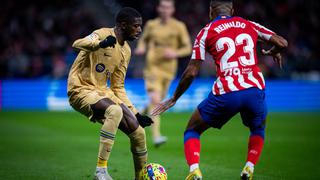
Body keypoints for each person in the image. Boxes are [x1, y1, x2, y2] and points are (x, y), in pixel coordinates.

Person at [152, 0, 288, 179]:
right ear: (232, 10)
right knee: (257, 128)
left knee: (192, 130)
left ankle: (194, 170)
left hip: (227, 92)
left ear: (210, 12)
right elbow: (283, 42)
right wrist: (275, 50)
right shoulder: (249, 24)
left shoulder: (206, 32)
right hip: (254, 89)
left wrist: (174, 97)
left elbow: (191, 72)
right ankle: (249, 166)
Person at [67, 7, 153, 180]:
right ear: (122, 25)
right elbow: (76, 44)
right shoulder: (101, 34)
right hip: (80, 89)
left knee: (139, 133)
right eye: (135, 26)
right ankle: (101, 171)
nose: (139, 30)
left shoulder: (126, 50)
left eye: (140, 26)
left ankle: (140, 177)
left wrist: (136, 113)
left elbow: (118, 87)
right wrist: (99, 44)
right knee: (114, 111)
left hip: (102, 92)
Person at [134, 0, 192, 147]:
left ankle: (138, 116)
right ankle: (156, 136)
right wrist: (141, 48)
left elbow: (187, 48)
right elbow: (143, 40)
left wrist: (175, 52)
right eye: (163, 7)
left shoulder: (179, 26)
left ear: (172, 10)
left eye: (168, 7)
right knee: (155, 99)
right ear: (158, 8)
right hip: (152, 67)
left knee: (157, 100)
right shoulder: (151, 25)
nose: (165, 10)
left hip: (169, 71)